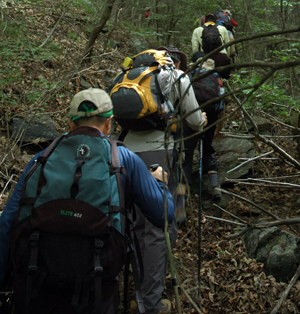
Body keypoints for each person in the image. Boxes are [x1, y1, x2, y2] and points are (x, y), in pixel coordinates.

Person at [0, 88, 174, 314]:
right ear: (109, 124)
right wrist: (160, 183)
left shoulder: (42, 158)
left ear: (71, 124)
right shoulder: (123, 159)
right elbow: (164, 215)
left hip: (36, 284)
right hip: (96, 291)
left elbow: (7, 223)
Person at [108, 48, 207, 314]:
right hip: (159, 154)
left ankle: (127, 289)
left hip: (122, 154)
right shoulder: (173, 76)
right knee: (156, 227)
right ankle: (149, 302)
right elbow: (196, 121)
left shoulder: (123, 77)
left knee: (127, 219)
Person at [182, 53, 225, 202]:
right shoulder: (216, 77)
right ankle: (214, 186)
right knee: (207, 148)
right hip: (211, 116)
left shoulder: (189, 74)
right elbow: (221, 105)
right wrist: (219, 126)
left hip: (191, 116)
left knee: (185, 154)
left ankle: (183, 196)